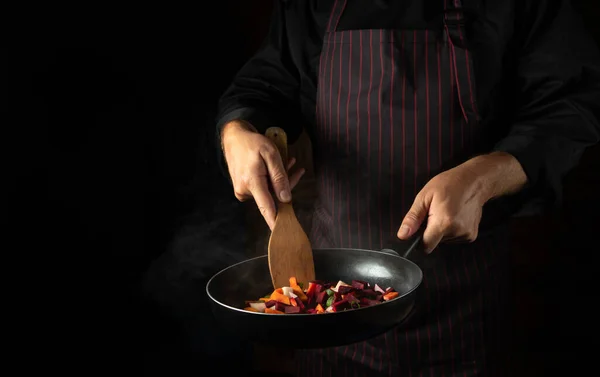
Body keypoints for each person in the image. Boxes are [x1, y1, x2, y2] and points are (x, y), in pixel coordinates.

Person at [216, 0, 600, 376]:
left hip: (463, 310)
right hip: (330, 318)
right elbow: (263, 87)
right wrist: (237, 132)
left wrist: (484, 177)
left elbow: (570, 107)